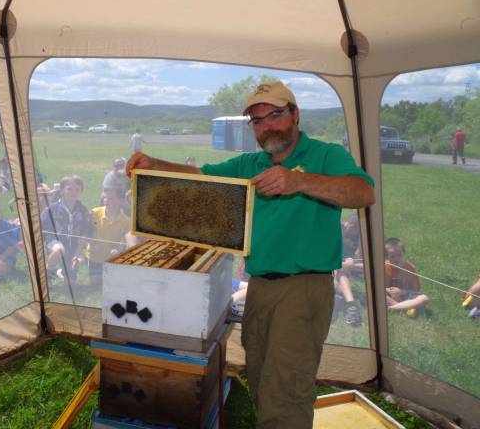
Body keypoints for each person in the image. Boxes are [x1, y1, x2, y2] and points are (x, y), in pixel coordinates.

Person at [125, 81, 375, 428]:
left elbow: (363, 191)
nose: (266, 126)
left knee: (285, 392)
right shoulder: (250, 163)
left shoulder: (326, 155)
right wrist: (155, 164)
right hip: (259, 286)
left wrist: (298, 182)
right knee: (260, 376)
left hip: (303, 288)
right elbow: (202, 176)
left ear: (295, 114)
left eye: (275, 115)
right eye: (257, 121)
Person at [40, 175, 92, 283]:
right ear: (62, 191)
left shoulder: (83, 210)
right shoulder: (52, 209)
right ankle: (49, 270)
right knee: (59, 250)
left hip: (73, 248)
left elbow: (86, 233)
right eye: (69, 189)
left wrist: (77, 255)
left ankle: (61, 271)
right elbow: (40, 225)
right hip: (54, 242)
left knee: (70, 283)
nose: (74, 192)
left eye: (77, 189)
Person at [87, 186, 137, 289]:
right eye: (105, 198)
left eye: (110, 199)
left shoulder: (126, 221)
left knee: (111, 286)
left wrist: (118, 251)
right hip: (94, 256)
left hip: (111, 258)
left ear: (121, 201)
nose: (106, 201)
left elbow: (128, 243)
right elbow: (86, 232)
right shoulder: (94, 212)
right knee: (95, 284)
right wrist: (93, 244)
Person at [384, 237, 429, 317]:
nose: (396, 258)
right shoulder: (384, 267)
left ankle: (392, 308)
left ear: (404, 254)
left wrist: (401, 291)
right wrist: (389, 290)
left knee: (424, 298)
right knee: (380, 295)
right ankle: (405, 308)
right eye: (392, 256)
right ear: (386, 257)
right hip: (390, 296)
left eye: (399, 255)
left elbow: (415, 290)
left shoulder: (410, 268)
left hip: (406, 297)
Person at [333, 213, 364, 326]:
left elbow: (364, 263)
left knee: (340, 272)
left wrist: (351, 264)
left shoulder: (360, 238)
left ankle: (348, 305)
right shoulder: (335, 227)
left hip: (341, 269)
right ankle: (349, 304)